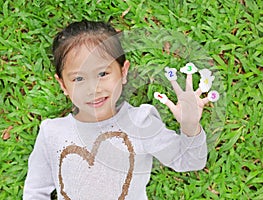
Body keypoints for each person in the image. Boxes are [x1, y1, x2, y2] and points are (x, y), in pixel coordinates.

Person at [23, 20, 209, 200]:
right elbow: (35, 191)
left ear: (123, 72)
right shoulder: (51, 132)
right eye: (78, 79)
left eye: (103, 73)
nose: (93, 89)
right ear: (62, 84)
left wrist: (190, 127)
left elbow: (190, 161)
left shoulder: (141, 122)